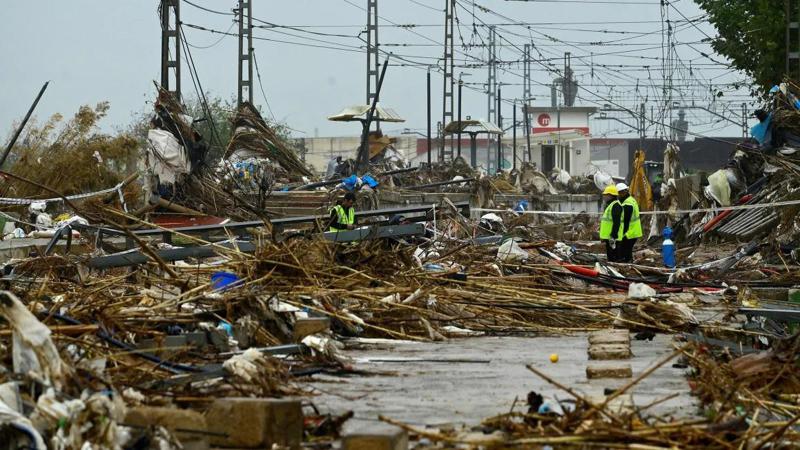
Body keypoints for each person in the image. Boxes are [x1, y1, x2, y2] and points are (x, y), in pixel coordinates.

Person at [615, 182, 643, 263]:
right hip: (634, 231)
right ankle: (629, 264)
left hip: (629, 232)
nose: (618, 196)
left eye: (618, 194)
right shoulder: (631, 200)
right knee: (627, 251)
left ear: (623, 192)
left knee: (623, 251)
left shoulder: (627, 203)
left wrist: (622, 234)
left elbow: (626, 221)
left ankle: (626, 266)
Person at [598, 185, 622, 262]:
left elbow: (616, 222)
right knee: (611, 257)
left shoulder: (615, 206)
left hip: (613, 238)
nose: (604, 196)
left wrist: (613, 236)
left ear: (611, 195)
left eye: (606, 195)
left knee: (613, 258)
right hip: (610, 237)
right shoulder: (611, 205)